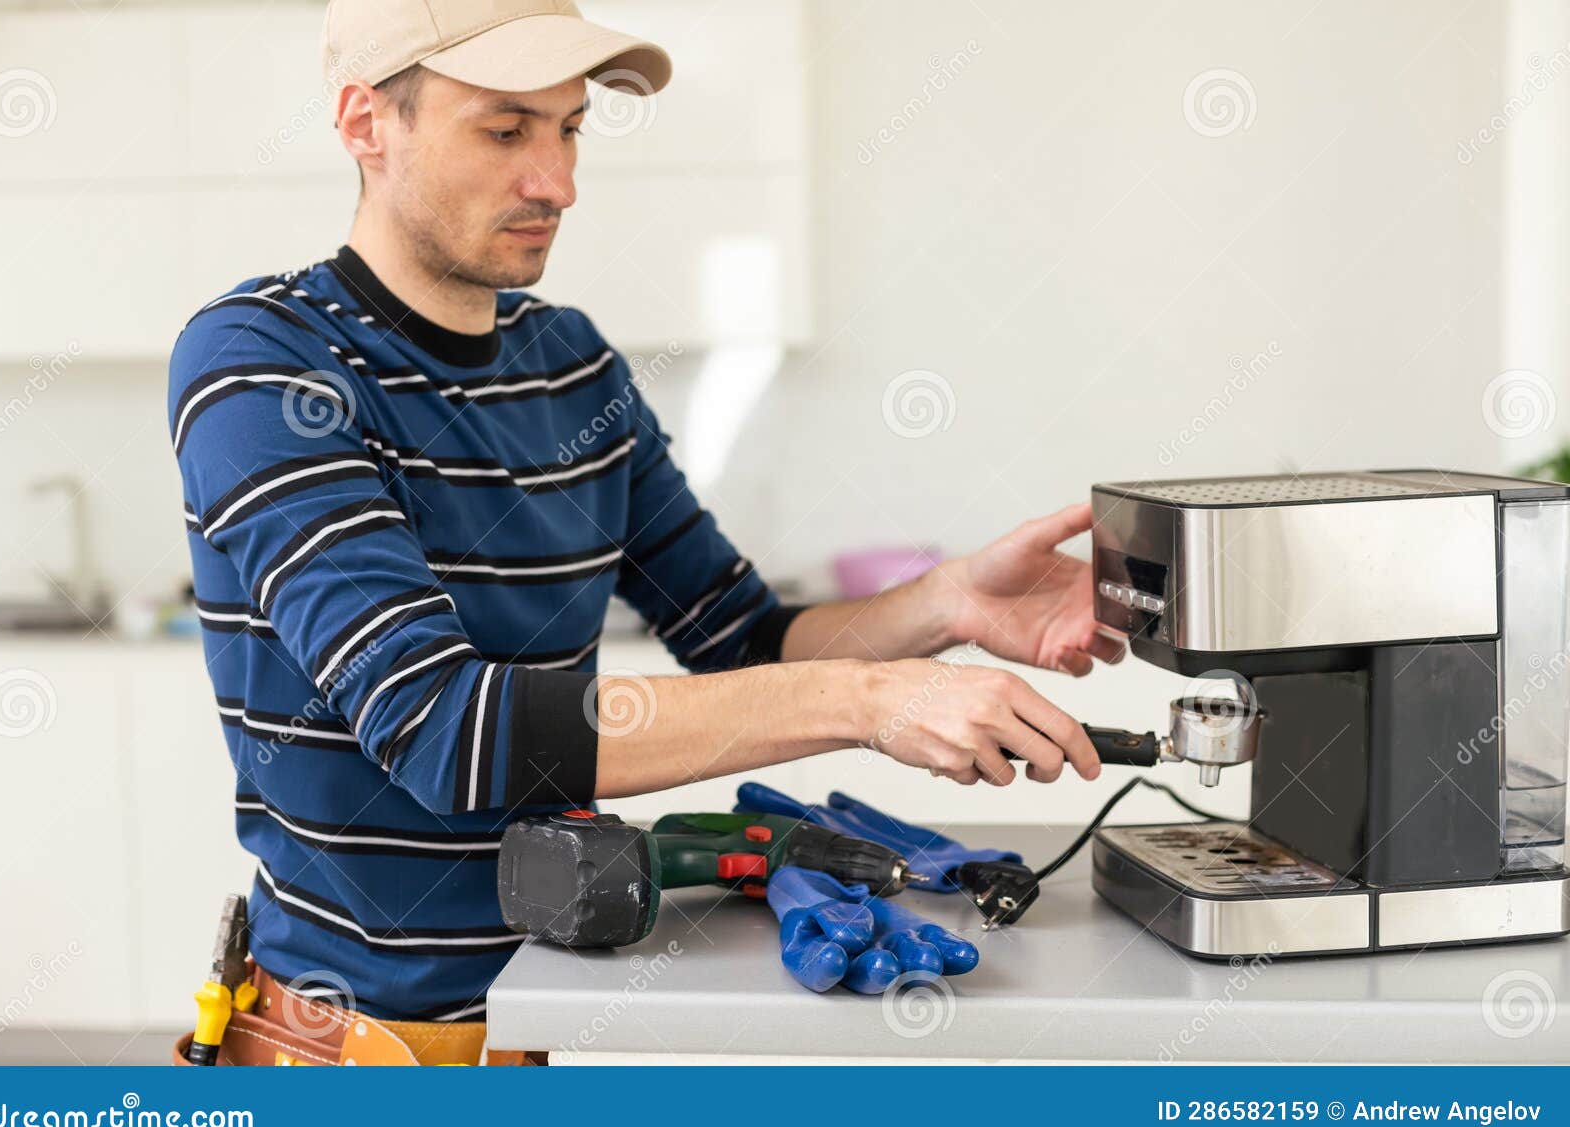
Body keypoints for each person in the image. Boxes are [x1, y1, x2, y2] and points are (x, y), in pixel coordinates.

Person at [168, 0, 1121, 1063]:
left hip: (538, 1027)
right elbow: (444, 729)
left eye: (569, 128)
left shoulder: (571, 366)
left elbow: (743, 642)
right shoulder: (263, 364)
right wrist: (865, 700)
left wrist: (945, 604)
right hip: (346, 1058)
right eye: (504, 130)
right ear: (364, 122)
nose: (557, 183)